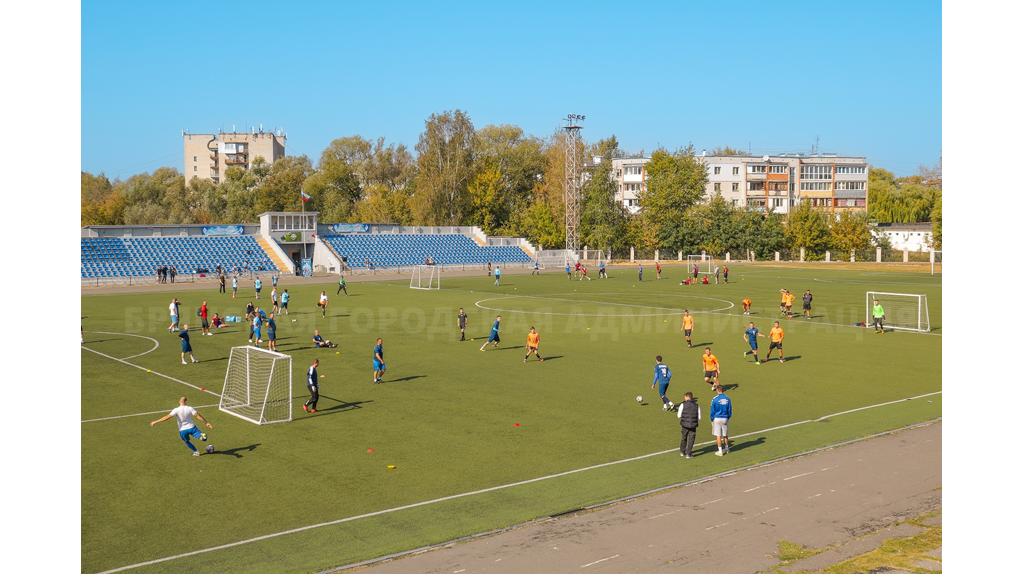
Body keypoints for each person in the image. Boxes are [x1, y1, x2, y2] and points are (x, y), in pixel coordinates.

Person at [677, 392, 701, 458]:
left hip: (684, 424)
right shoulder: (697, 406)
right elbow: (700, 417)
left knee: (683, 437)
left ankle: (682, 451)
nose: (684, 398)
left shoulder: (683, 404)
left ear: (688, 397)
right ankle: (688, 453)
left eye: (685, 397)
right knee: (691, 439)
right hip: (693, 425)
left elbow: (678, 415)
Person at [710, 385, 732, 456]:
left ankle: (720, 451)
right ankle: (727, 449)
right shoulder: (728, 399)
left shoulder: (714, 399)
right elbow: (729, 410)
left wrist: (712, 419)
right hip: (725, 418)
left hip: (717, 418)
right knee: (725, 434)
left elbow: (712, 410)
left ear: (717, 390)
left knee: (718, 435)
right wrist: (728, 417)